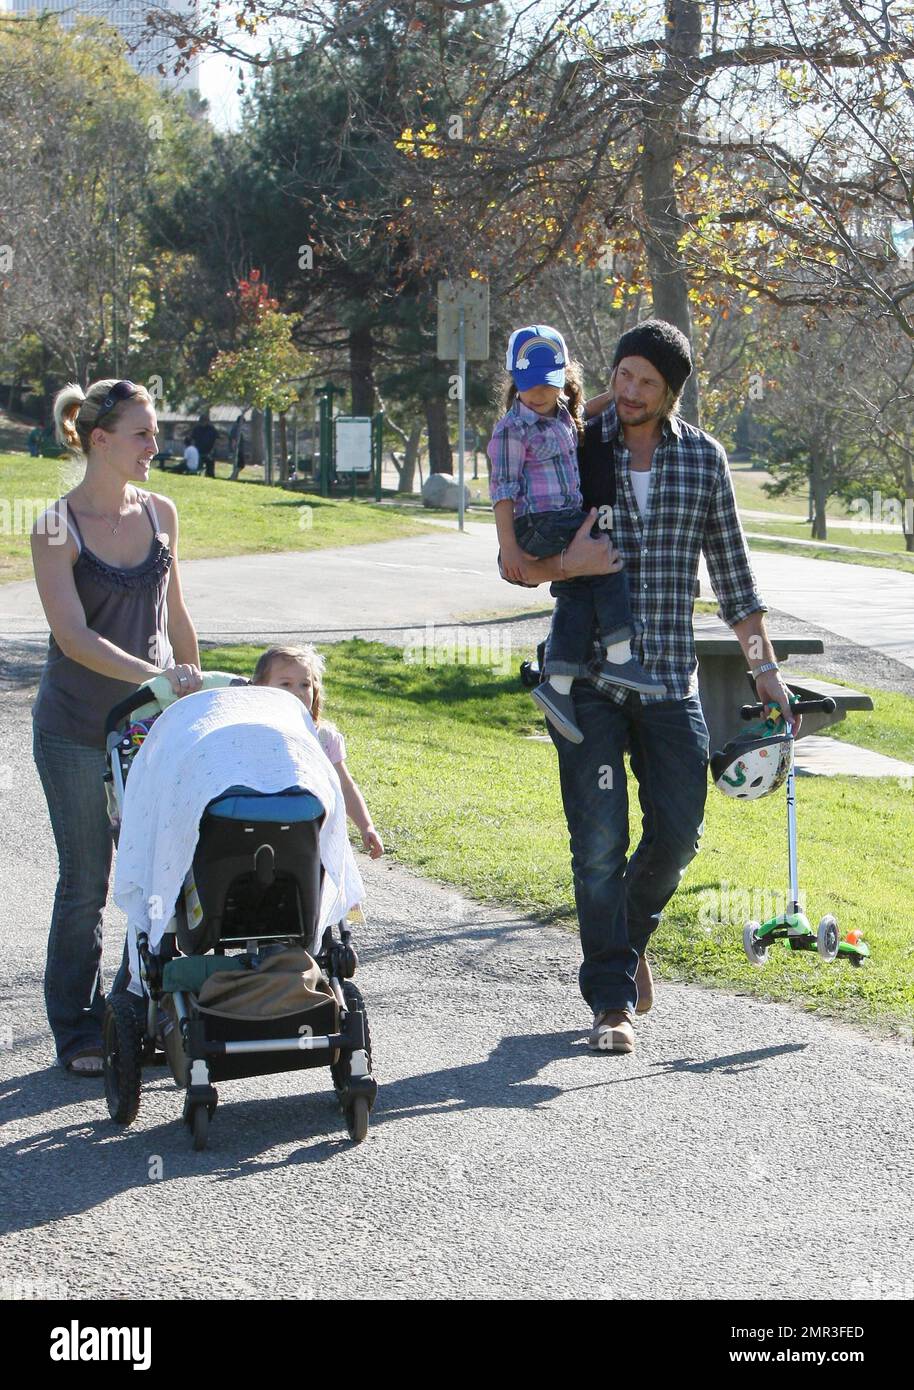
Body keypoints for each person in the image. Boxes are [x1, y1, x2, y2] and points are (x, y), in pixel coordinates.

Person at [501, 319, 800, 1055]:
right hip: (588, 684)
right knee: (599, 842)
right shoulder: (574, 439)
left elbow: (735, 580)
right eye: (623, 375)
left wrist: (765, 670)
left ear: (670, 393)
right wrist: (571, 566)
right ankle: (610, 1001)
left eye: (646, 383)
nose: (629, 392)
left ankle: (626, 942)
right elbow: (515, 564)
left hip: (669, 680)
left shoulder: (703, 460)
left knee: (678, 834)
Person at [30, 378, 204, 1076]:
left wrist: (192, 693)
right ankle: (75, 1031)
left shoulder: (161, 511)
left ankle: (135, 1012)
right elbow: (72, 638)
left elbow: (179, 616)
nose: (154, 445)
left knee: (160, 872)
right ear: (99, 440)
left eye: (155, 432)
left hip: (151, 730)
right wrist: (152, 678)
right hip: (75, 728)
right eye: (141, 433)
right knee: (86, 883)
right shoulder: (53, 526)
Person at [488, 325, 665, 744]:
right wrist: (509, 546)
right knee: (604, 559)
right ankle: (621, 655)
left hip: (562, 518)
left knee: (578, 591)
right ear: (513, 378)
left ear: (564, 378)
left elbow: (585, 411)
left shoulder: (563, 413)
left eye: (548, 387)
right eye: (528, 387)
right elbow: (502, 492)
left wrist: (620, 399)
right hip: (539, 523)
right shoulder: (512, 430)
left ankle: (559, 682)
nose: (538, 395)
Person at [251, 644, 384, 860]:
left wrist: (366, 826)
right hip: (254, 829)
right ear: (260, 687)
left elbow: (344, 784)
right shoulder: (250, 732)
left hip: (309, 836)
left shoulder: (324, 738)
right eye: (286, 684)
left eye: (305, 684)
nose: (298, 692)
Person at [190, 411, 218, 479]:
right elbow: (192, 439)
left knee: (210, 469)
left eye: (205, 421)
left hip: (209, 451)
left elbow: (216, 440)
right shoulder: (196, 428)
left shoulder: (212, 429)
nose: (203, 423)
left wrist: (213, 450)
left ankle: (210, 477)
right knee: (198, 467)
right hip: (198, 451)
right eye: (202, 421)